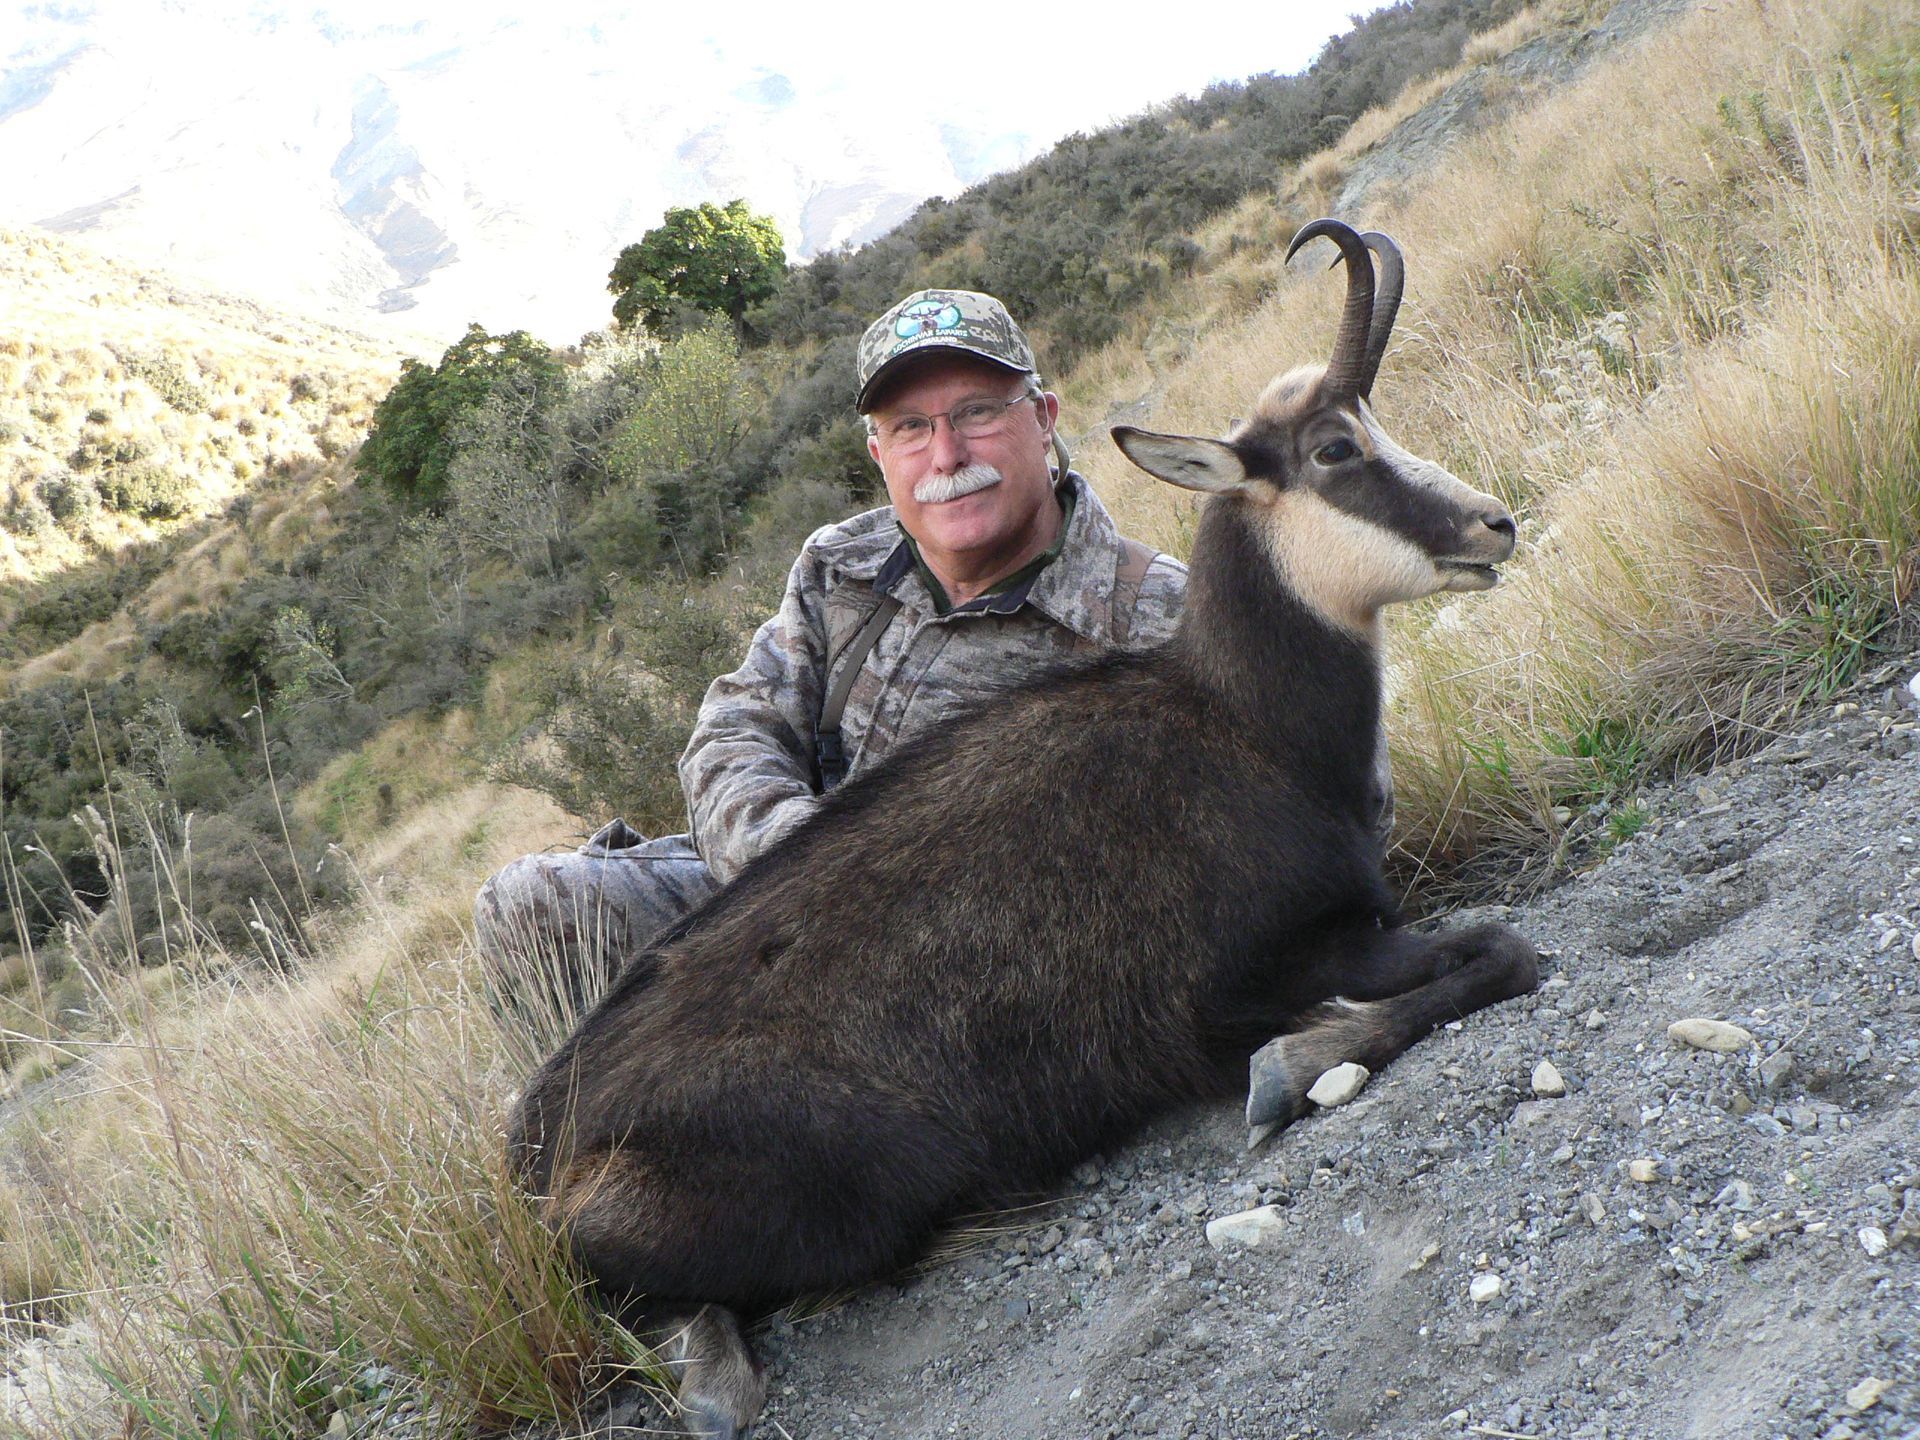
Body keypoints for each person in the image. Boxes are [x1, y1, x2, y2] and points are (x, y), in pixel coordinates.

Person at [473, 288, 1191, 1020]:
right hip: (790, 910)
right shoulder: (840, 566)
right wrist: (807, 866)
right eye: (912, 427)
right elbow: (732, 734)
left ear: (1042, 419)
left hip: (988, 974)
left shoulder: (1163, 618)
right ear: (880, 455)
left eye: (977, 411)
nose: (947, 455)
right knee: (532, 905)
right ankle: (606, 1134)